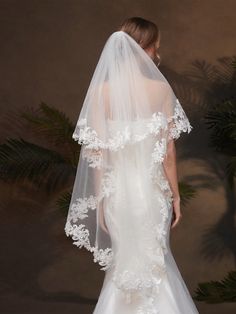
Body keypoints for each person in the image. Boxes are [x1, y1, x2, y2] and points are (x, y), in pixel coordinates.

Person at [65, 17, 199, 314]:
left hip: (118, 197)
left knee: (123, 265)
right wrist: (175, 196)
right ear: (144, 49)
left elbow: (97, 155)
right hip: (152, 195)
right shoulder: (161, 90)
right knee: (155, 264)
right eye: (155, 47)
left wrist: (102, 200)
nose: (158, 54)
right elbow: (168, 154)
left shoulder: (101, 93)